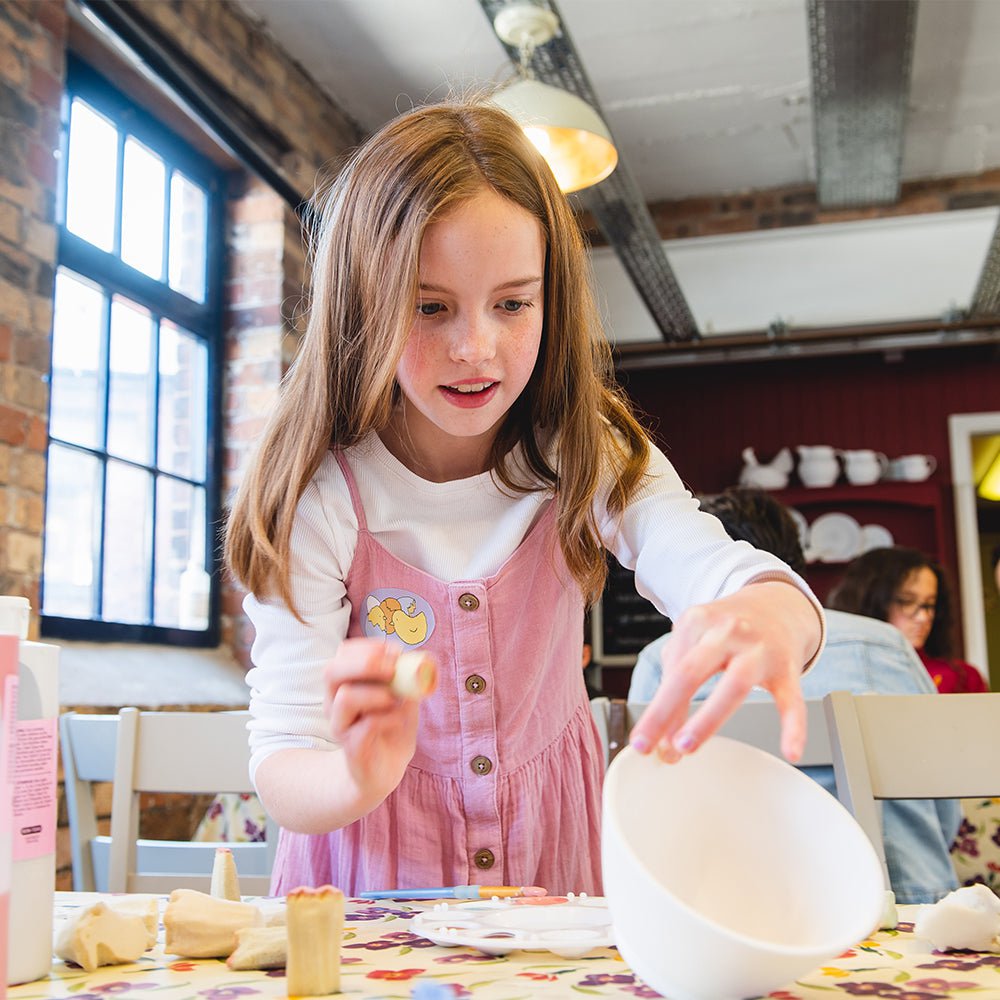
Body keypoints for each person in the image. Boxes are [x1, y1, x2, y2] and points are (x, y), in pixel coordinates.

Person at [224, 98, 823, 897]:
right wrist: (356, 777)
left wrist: (768, 613)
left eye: (512, 303)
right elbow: (284, 756)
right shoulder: (319, 494)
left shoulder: (586, 449)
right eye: (429, 306)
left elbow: (705, 562)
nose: (477, 347)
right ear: (363, 302)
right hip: (368, 896)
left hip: (554, 877)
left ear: (552, 297)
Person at [629, 488, 962, 903]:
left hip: (734, 909)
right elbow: (946, 793)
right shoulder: (885, 645)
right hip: (910, 900)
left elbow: (647, 806)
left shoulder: (662, 661)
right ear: (795, 565)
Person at [828, 547, 988, 694]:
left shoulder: (962, 676)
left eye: (929, 604)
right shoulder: (836, 672)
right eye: (906, 601)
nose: (923, 617)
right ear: (872, 601)